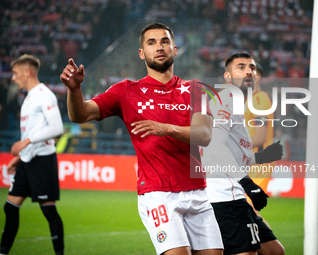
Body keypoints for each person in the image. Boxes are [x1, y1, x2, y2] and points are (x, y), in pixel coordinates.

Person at [60, 23, 223, 255]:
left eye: (165, 41)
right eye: (151, 42)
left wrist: (165, 128)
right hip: (158, 194)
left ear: (175, 49)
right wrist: (74, 90)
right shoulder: (126, 91)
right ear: (141, 53)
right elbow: (80, 114)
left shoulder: (195, 89)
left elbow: (205, 135)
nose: (159, 47)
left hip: (198, 193)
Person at [201, 53, 285, 255]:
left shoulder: (238, 106)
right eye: (241, 67)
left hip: (235, 196)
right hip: (223, 197)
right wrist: (247, 183)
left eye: (252, 68)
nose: (249, 71)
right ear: (227, 77)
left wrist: (262, 157)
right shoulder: (226, 100)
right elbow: (215, 146)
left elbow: (238, 156)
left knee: (275, 251)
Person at [0, 54, 64, 255]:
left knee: (48, 211)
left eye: (16, 73)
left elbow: (56, 127)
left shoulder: (45, 95)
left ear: (27, 72)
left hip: (43, 160)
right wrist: (20, 157)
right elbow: (34, 131)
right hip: (27, 161)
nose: (13, 77)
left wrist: (25, 142)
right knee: (10, 208)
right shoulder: (28, 97)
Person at [244, 63, 275, 226]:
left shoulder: (260, 99)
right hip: (249, 160)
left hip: (259, 161)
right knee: (244, 208)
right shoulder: (250, 99)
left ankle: (273, 249)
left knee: (247, 208)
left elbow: (260, 136)